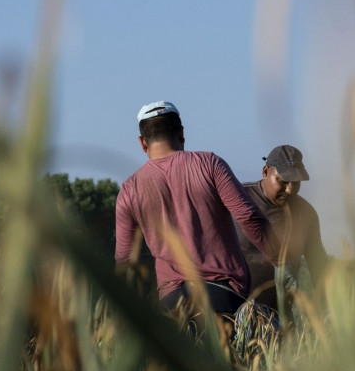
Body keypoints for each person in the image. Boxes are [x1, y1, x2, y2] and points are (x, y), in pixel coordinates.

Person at [114, 101, 278, 315]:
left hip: (173, 305)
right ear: (181, 133)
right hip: (224, 298)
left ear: (143, 143)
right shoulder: (210, 164)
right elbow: (248, 216)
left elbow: (125, 262)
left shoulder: (129, 190)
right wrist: (280, 257)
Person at [237, 144, 329, 311]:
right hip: (236, 311)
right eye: (283, 181)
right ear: (265, 172)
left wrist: (328, 311)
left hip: (279, 315)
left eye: (296, 182)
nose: (290, 190)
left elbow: (318, 266)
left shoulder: (305, 214)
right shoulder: (238, 200)